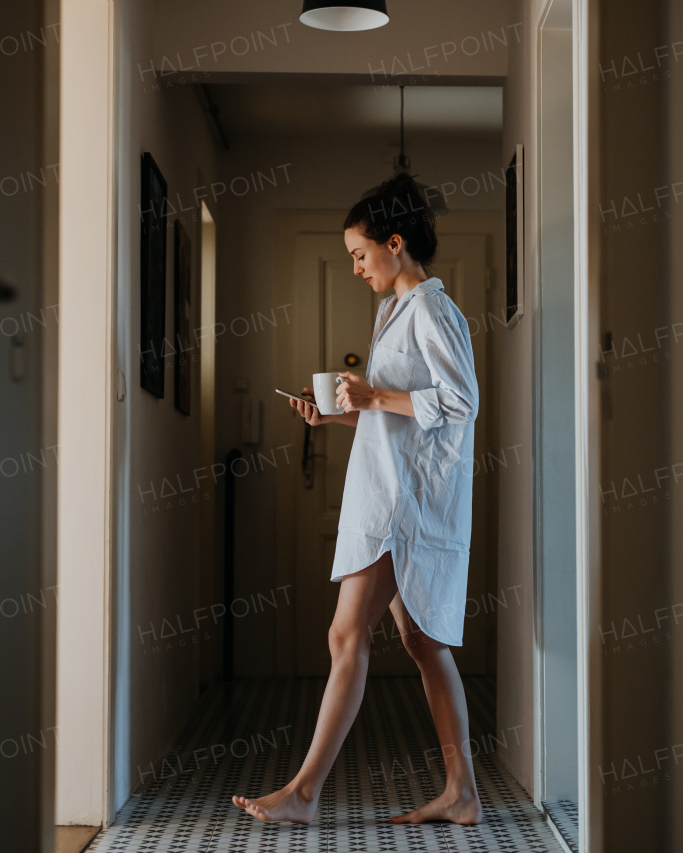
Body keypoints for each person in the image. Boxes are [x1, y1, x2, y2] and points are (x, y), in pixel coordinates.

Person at [231, 174, 481, 825]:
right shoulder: (392, 311)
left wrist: (370, 397)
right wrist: (334, 416)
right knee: (424, 644)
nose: (355, 266)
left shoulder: (432, 309)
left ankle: (304, 794)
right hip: (390, 491)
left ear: (396, 243)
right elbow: (393, 415)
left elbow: (460, 403)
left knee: (347, 634)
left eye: (360, 254)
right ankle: (462, 792)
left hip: (404, 506)